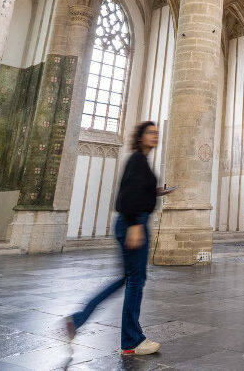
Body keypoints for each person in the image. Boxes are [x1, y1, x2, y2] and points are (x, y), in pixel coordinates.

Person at [64, 121, 170, 356]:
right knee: (135, 282)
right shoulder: (137, 161)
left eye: (156, 132)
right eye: (151, 132)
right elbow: (127, 195)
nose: (155, 136)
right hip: (134, 222)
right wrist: (134, 225)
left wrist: (154, 193)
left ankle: (77, 320)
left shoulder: (141, 162)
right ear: (140, 136)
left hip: (133, 220)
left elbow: (135, 191)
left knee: (125, 280)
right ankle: (131, 341)